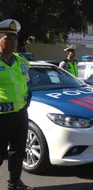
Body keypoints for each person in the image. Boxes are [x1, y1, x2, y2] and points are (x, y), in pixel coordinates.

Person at [0, 19, 34, 190]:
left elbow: (27, 83)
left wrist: (27, 99)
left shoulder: (22, 61)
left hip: (20, 114)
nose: (13, 42)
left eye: (15, 38)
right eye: (8, 37)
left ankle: (14, 183)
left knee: (17, 152)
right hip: (1, 117)